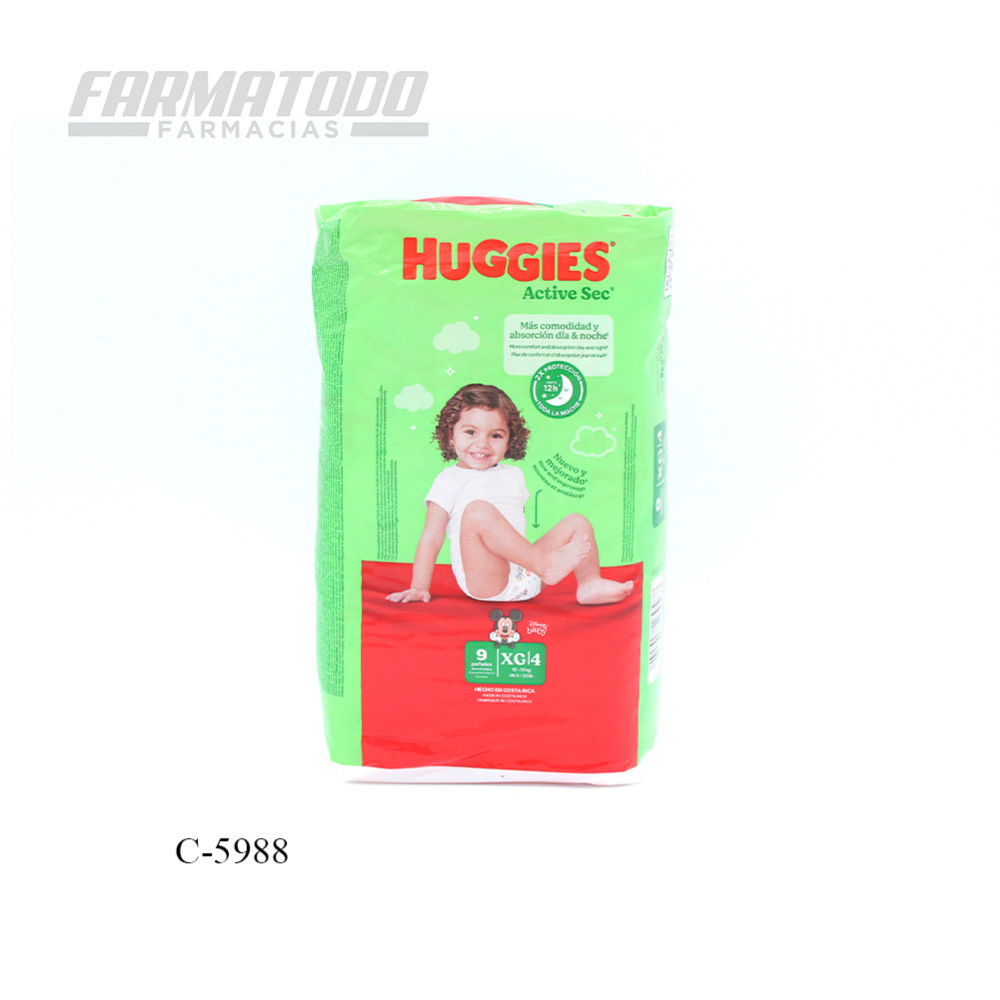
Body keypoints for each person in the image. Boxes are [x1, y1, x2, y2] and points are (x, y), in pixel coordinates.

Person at [386, 383, 633, 606]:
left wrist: (533, 563)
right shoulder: (448, 480)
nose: (482, 444)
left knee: (577, 522)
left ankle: (589, 584)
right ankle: (545, 565)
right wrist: (419, 587)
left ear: (510, 440)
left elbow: (514, 531)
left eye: (495, 435)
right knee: (478, 511)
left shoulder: (514, 475)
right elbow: (431, 537)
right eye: (471, 432)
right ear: (450, 435)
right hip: (486, 582)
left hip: (527, 575)